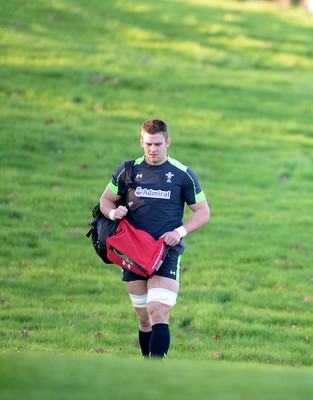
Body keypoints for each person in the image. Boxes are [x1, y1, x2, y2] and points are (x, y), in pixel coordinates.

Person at [100, 119, 210, 359]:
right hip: (133, 253)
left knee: (158, 311)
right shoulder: (127, 170)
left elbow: (203, 212)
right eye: (148, 144)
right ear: (141, 142)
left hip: (166, 253)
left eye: (158, 144)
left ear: (167, 142)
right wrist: (112, 212)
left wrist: (178, 233)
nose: (153, 149)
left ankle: (158, 370)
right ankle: (147, 372)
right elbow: (105, 200)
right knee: (144, 319)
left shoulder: (183, 174)